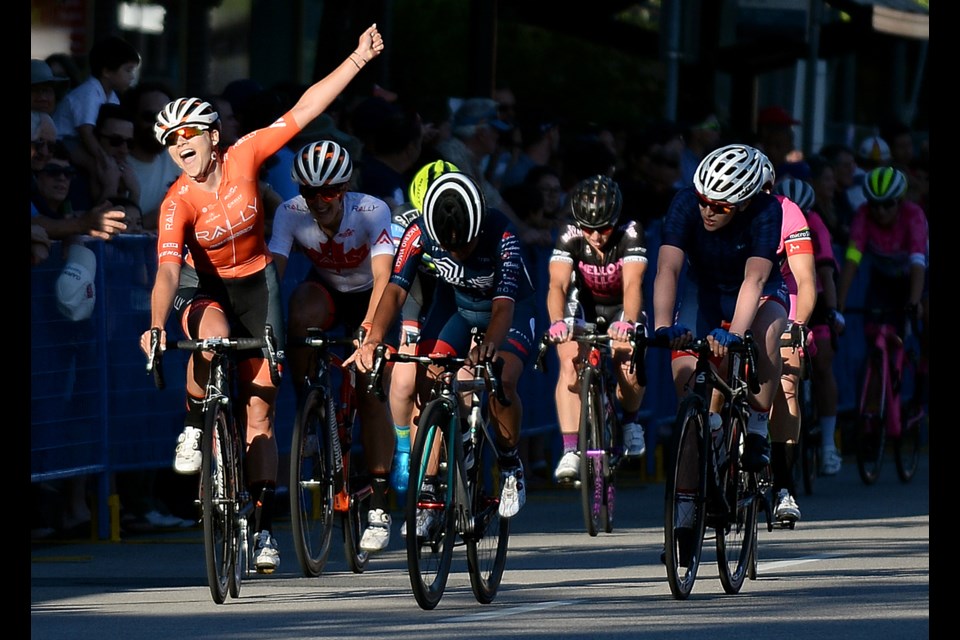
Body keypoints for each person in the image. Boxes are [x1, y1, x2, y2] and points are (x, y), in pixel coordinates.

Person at [137, 24, 384, 574]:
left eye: (188, 137)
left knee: (261, 416)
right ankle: (194, 427)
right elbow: (167, 273)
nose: (180, 148)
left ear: (211, 135)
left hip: (256, 284)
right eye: (171, 143)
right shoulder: (177, 203)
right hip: (206, 290)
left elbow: (304, 108)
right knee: (213, 337)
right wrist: (156, 325)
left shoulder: (246, 155)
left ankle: (261, 525)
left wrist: (357, 59)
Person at [348, 171, 537, 522]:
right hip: (458, 308)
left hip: (507, 310)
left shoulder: (503, 234)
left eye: (463, 246)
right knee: (428, 373)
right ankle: (431, 485)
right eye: (447, 248)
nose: (455, 253)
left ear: (478, 229)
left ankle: (511, 465)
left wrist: (489, 347)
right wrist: (374, 336)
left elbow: (504, 308)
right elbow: (395, 289)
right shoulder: (419, 231)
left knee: (502, 377)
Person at [267, 139, 399, 553]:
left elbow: (384, 278)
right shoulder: (290, 214)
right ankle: (310, 401)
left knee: (371, 390)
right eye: (309, 192)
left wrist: (370, 331)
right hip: (326, 289)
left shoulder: (371, 210)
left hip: (369, 295)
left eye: (328, 192)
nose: (318, 201)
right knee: (297, 309)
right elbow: (275, 274)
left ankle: (378, 502)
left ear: (344, 189)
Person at [652, 143, 789, 480]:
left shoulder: (766, 210)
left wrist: (735, 333)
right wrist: (661, 327)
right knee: (686, 385)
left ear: (742, 203)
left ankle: (758, 426)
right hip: (706, 290)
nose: (707, 212)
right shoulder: (685, 202)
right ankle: (704, 441)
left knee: (765, 332)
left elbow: (755, 279)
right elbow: (668, 269)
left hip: (757, 292)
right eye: (703, 201)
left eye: (719, 207)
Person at [545, 175, 649, 483]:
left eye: (603, 228)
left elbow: (632, 284)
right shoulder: (569, 235)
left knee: (627, 362)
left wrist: (628, 323)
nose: (596, 236)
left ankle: (630, 421)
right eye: (588, 228)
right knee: (568, 362)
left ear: (614, 221)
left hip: (620, 305)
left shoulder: (631, 232)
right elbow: (558, 285)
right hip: (583, 305)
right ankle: (570, 450)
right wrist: (556, 324)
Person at [837, 167, 927, 431]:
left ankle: (919, 391)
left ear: (899, 202)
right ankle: (872, 411)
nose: (881, 212)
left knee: (925, 318)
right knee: (874, 339)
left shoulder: (914, 216)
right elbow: (852, 260)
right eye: (875, 205)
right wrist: (839, 303)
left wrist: (915, 301)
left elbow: (918, 261)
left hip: (916, 275)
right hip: (884, 280)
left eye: (888, 205)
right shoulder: (863, 217)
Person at [774, 175, 845, 476]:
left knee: (824, 361)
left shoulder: (814, 222)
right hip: (780, 291)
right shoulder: (773, 215)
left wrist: (832, 311)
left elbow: (825, 273)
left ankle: (828, 443)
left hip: (812, 293)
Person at [762, 161, 816, 526]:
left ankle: (783, 486)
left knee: (786, 380)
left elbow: (806, 280)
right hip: (735, 296)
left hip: (785, 295)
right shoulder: (719, 212)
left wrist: (798, 325)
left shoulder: (788, 211)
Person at [52, 36, 141, 195]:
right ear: (106, 71)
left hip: (80, 141)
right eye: (127, 70)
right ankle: (102, 204)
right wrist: (103, 158)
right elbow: (85, 131)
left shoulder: (112, 97)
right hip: (63, 140)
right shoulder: (89, 93)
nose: (132, 77)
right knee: (97, 167)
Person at [121, 80, 182, 232]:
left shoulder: (178, 159)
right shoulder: (117, 163)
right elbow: (121, 229)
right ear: (133, 118)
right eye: (149, 117)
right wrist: (164, 213)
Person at [89, 103, 141, 206]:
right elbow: (92, 221)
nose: (124, 150)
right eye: (116, 141)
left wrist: (135, 193)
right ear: (96, 138)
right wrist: (110, 188)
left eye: (129, 143)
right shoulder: (70, 175)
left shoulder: (127, 177)